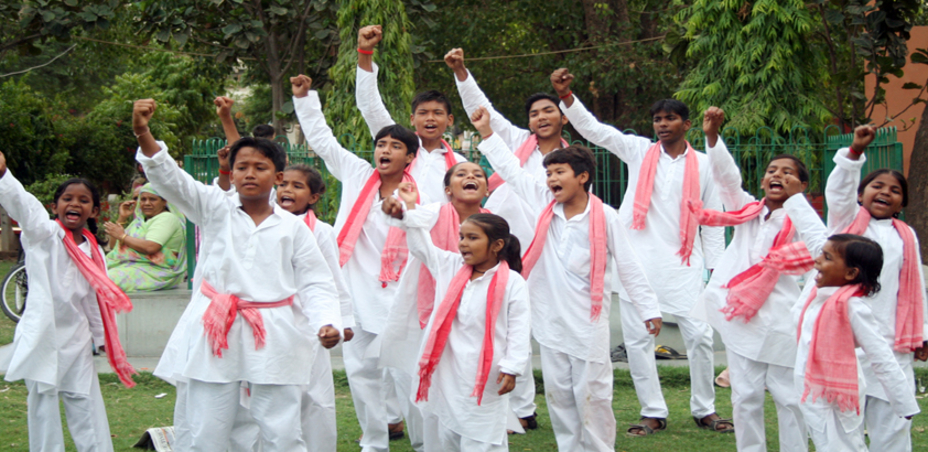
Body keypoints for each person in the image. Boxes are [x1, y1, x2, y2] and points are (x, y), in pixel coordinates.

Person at [134, 99, 342, 452]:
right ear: (231, 171)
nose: (248, 173)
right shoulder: (215, 208)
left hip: (275, 330)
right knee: (207, 426)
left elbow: (315, 280)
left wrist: (328, 321)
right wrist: (143, 133)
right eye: (241, 166)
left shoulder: (294, 228)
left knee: (282, 430)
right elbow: (171, 179)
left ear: (277, 177)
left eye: (259, 167)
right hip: (218, 325)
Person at [473, 106, 662, 451]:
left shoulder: (606, 216)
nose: (551, 181)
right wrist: (487, 133)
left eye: (559, 172)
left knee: (594, 394)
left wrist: (649, 308)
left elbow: (630, 265)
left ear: (583, 177)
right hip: (549, 318)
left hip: (587, 323)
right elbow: (513, 171)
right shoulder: (545, 204)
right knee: (559, 394)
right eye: (548, 174)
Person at [551, 68, 727, 435]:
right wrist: (567, 97)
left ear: (687, 124)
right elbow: (596, 131)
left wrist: (717, 271)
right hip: (637, 262)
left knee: (700, 337)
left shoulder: (706, 165)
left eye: (670, 118)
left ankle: (705, 408)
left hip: (685, 263)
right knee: (637, 340)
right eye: (657, 119)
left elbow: (712, 221)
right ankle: (652, 410)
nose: (662, 125)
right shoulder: (639, 151)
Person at [291, 73, 422, 452]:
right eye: (380, 143)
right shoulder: (356, 173)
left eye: (395, 146)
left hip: (401, 299)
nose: (384, 150)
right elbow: (322, 139)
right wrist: (304, 99)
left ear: (410, 157)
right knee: (362, 374)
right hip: (353, 297)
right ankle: (374, 443)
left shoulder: (420, 190)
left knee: (404, 377)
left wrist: (408, 211)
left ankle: (425, 442)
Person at [446, 48, 572, 428]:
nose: (541, 118)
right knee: (503, 322)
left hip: (548, 251)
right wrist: (461, 71)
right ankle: (521, 410)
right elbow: (482, 109)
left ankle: (562, 403)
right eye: (534, 113)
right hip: (503, 247)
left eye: (548, 111)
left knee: (544, 327)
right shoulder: (515, 142)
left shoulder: (574, 161)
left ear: (564, 118)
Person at [690, 107, 828, 451]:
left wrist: (798, 202)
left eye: (786, 172)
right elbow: (726, 179)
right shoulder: (748, 212)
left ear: (802, 184)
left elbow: (821, 249)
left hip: (782, 320)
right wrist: (712, 137)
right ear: (763, 181)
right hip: (741, 318)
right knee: (745, 395)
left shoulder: (804, 220)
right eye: (771, 171)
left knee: (789, 397)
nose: (776, 175)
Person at [0, 153, 137, 452]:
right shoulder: (44, 235)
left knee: (86, 403)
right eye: (67, 198)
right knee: (43, 405)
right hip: (43, 337)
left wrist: (101, 339)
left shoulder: (94, 251)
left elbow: (93, 300)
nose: (74, 204)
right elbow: (24, 206)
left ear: (94, 211)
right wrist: (3, 176)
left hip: (76, 338)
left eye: (84, 200)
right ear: (55, 207)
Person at [385, 190, 531, 451]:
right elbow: (421, 247)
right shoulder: (450, 266)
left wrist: (512, 367)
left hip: (487, 377)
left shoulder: (513, 283)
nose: (463, 243)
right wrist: (408, 210)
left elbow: (519, 329)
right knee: (446, 434)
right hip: (448, 372)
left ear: (497, 245)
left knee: (483, 438)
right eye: (462, 237)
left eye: (473, 238)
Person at [227, 163, 356, 452]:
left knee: (314, 397)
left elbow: (332, 279)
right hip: (269, 323)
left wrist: (341, 320)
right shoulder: (258, 224)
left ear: (313, 198)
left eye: (298, 186)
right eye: (284, 184)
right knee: (257, 397)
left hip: (309, 326)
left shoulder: (320, 231)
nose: (287, 190)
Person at [824, 125, 928, 451]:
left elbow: (915, 288)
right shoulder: (845, 222)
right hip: (844, 341)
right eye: (877, 186)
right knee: (842, 425)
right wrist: (854, 151)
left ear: (901, 203)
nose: (886, 192)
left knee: (893, 423)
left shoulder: (906, 235)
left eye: (895, 190)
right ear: (860, 194)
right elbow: (838, 190)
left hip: (890, 341)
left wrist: (922, 332)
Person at [795, 234, 920, 451]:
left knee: (845, 445)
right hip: (813, 390)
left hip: (839, 394)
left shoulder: (852, 307)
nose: (817, 261)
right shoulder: (819, 298)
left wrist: (903, 402)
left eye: (827, 257)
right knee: (826, 443)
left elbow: (880, 354)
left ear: (851, 273)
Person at [356, 25, 467, 205]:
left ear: (449, 120)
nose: (430, 118)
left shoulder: (459, 166)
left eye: (437, 113)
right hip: (391, 227)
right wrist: (365, 52)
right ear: (412, 119)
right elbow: (369, 105)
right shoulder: (398, 146)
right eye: (423, 113)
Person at [103, 183, 187, 292]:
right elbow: (114, 246)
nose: (147, 203)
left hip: (157, 272)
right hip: (133, 267)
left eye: (152, 199)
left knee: (105, 280)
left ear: (164, 201)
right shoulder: (140, 221)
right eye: (143, 199)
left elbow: (151, 247)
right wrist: (122, 218)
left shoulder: (166, 218)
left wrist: (122, 236)